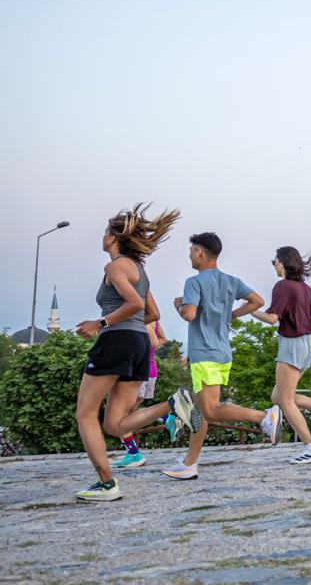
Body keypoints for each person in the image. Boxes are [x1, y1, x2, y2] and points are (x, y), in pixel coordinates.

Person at [73, 205, 200, 502]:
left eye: (106, 232)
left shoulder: (115, 267)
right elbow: (152, 312)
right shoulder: (139, 271)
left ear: (114, 238)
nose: (102, 236)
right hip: (139, 343)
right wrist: (129, 331)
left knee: (85, 414)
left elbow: (135, 305)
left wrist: (100, 323)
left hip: (116, 341)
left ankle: (106, 484)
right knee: (114, 424)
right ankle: (172, 405)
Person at [158, 232, 279, 480]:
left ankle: (265, 417)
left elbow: (189, 314)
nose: (190, 255)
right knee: (199, 411)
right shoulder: (231, 281)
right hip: (222, 353)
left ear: (200, 252)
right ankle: (189, 464)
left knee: (210, 410)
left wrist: (178, 305)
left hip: (204, 354)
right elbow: (257, 301)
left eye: (191, 250)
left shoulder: (195, 282)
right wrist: (233, 314)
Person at [249, 247, 311, 464]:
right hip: (307, 345)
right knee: (279, 397)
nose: (273, 264)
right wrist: (310, 333)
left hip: (291, 346)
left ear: (282, 262)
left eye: (274, 261)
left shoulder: (283, 286)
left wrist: (250, 311)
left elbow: (273, 318)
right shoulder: (305, 288)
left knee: (285, 401)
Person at [110, 319, 167, 469]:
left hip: (139, 370)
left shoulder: (143, 319)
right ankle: (164, 416)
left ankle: (134, 455)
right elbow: (163, 339)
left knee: (120, 417)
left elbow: (154, 342)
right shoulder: (153, 320)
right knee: (130, 414)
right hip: (149, 369)